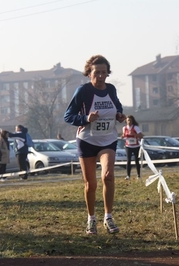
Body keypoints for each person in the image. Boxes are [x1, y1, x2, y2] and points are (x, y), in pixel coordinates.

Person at [64, 54, 126, 235]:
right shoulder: (83, 91)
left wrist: (119, 115)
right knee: (90, 184)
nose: (100, 76)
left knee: (108, 175)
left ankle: (108, 217)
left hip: (108, 139)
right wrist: (85, 118)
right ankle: (91, 219)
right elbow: (68, 116)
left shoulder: (111, 89)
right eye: (96, 72)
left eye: (104, 73)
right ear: (89, 74)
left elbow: (117, 106)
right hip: (87, 140)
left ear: (108, 74)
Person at [121, 115, 143, 180]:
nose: (129, 122)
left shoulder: (135, 127)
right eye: (128, 120)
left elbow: (141, 136)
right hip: (128, 146)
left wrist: (134, 134)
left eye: (130, 120)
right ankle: (128, 176)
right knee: (128, 161)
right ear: (126, 121)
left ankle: (138, 175)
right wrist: (122, 136)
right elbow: (123, 136)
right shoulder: (124, 128)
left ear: (132, 121)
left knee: (136, 161)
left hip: (136, 146)